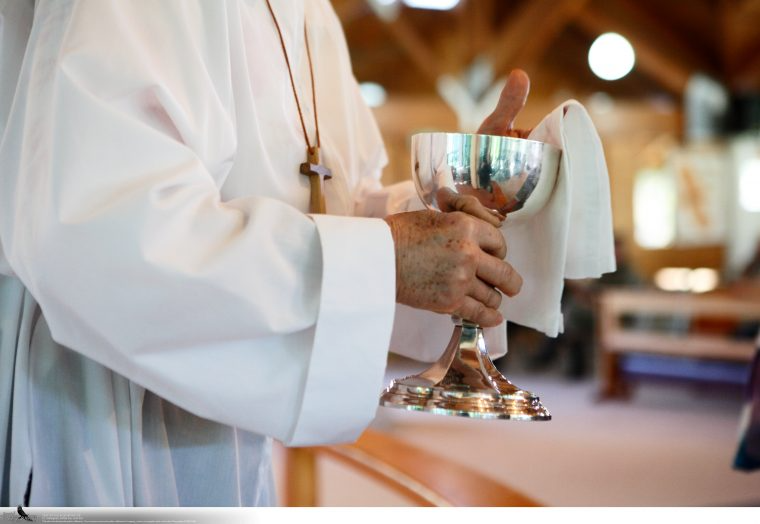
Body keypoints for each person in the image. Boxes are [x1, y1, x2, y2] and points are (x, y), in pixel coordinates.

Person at [0, 0, 533, 506]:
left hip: (229, 429)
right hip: (94, 402)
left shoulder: (313, 14)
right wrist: (383, 259)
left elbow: (341, 199)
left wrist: (455, 214)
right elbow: (103, 227)